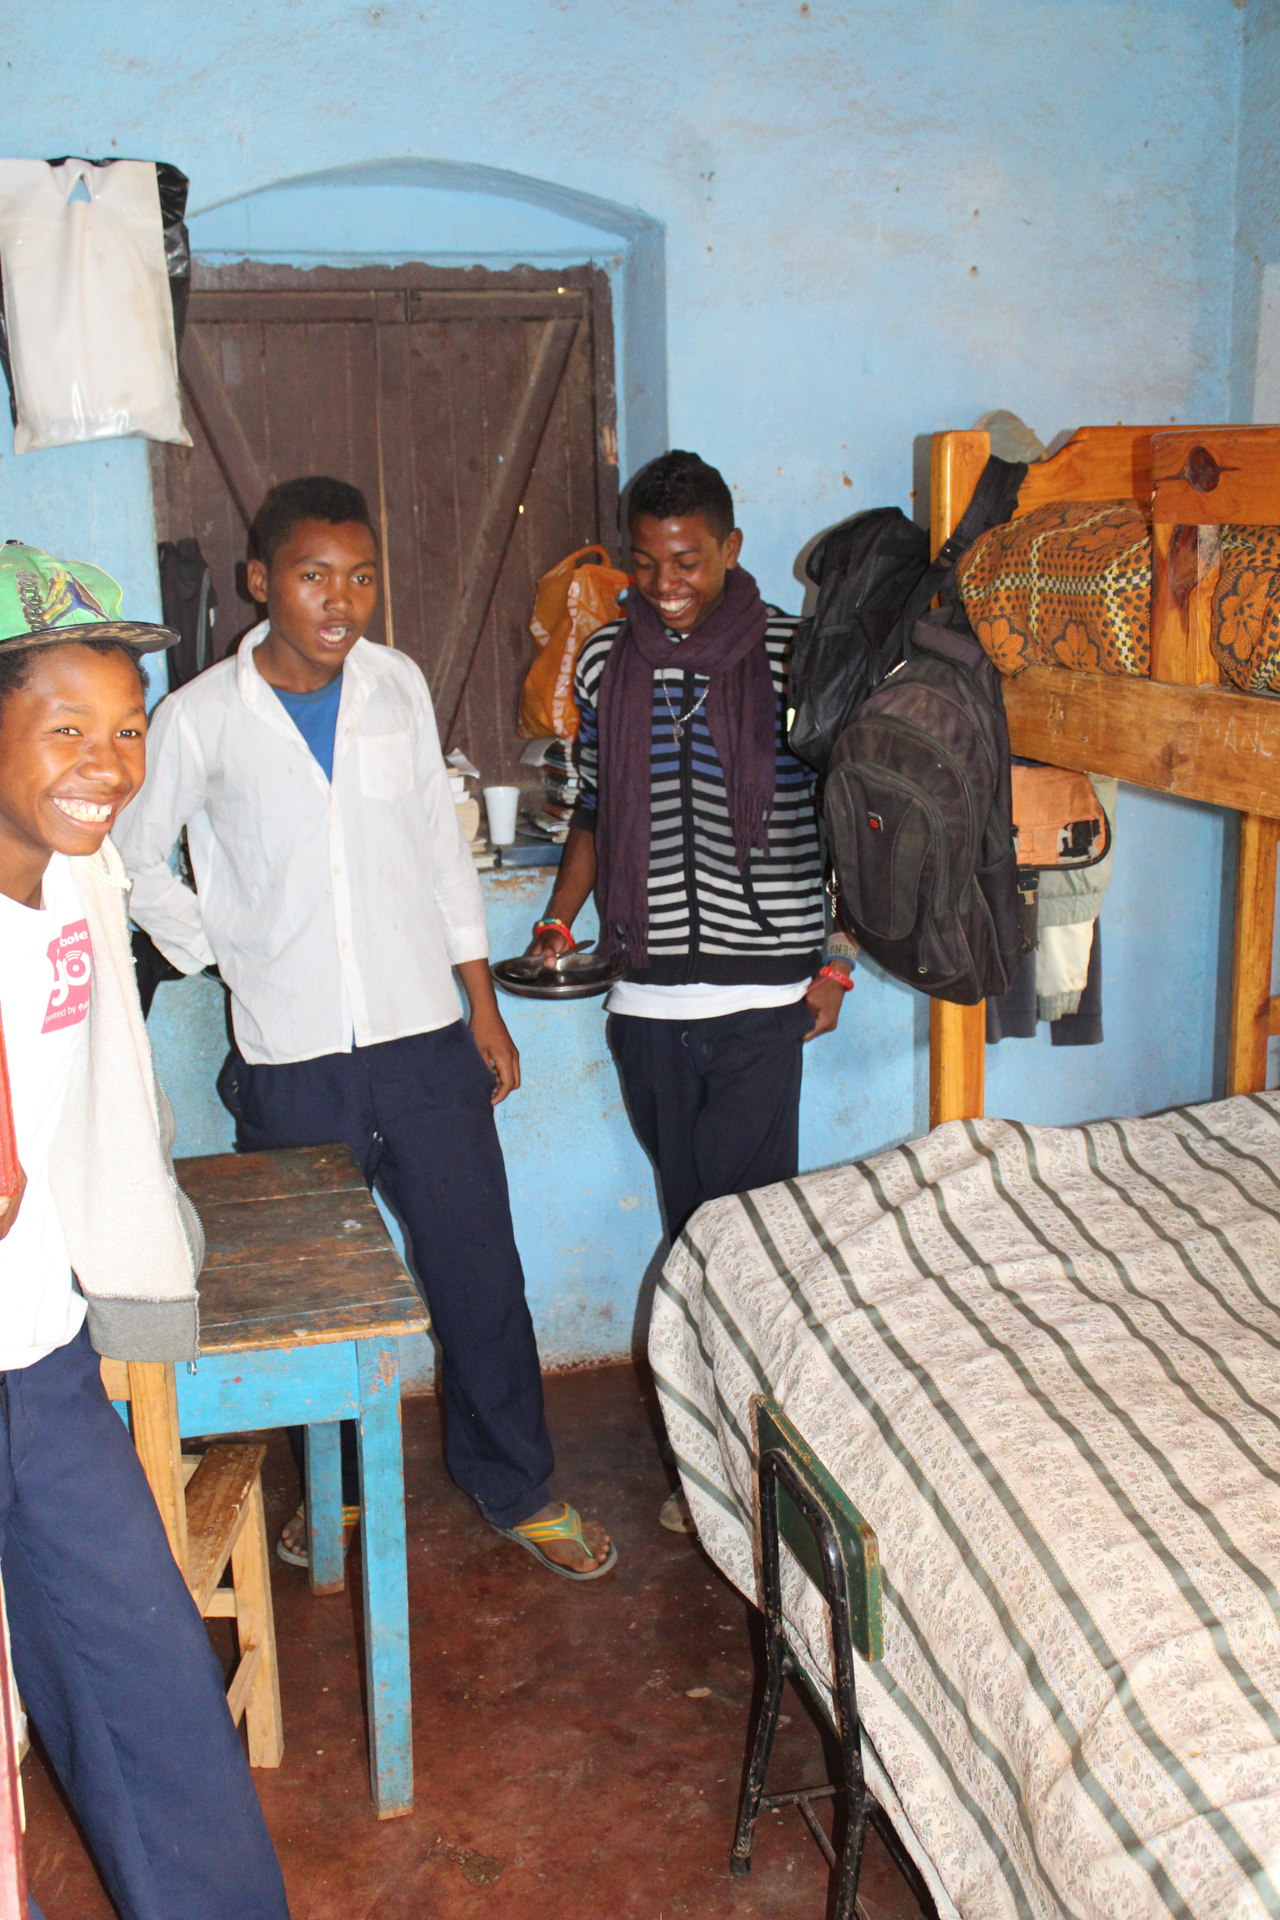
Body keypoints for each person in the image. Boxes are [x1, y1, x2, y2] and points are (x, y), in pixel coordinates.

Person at [116, 477, 613, 1581]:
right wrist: (218, 947)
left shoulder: (394, 686)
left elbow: (439, 855)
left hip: (425, 1040)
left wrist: (481, 1001)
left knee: (478, 1271)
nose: (339, 601)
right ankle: (329, 1501)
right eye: (311, 576)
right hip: (292, 1062)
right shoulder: (198, 718)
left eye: (360, 577)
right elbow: (131, 854)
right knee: (322, 1298)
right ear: (261, 583)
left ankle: (515, 1485)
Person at [0, 542, 290, 1920]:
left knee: (151, 1677)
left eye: (125, 730)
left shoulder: (75, 881)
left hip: (35, 1351)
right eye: (65, 727)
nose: (108, 767)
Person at [530, 452, 856, 1530]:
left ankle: (760, 1474)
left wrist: (836, 957)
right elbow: (590, 815)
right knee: (690, 1230)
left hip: (762, 1000)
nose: (666, 578)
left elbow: (855, 814)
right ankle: (711, 1454)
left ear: (729, 548)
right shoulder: (601, 666)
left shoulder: (793, 661)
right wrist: (559, 916)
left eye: (686, 557)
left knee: (746, 1239)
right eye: (645, 558)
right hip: (647, 1007)